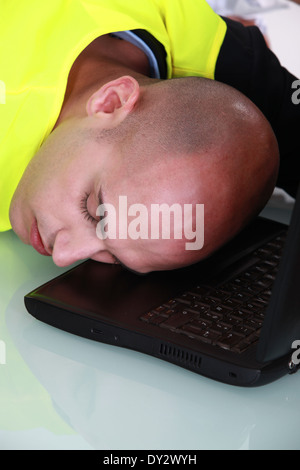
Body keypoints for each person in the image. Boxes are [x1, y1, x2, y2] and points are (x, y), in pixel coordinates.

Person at [2, 0, 299, 273]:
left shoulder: (206, 42)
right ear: (111, 102)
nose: (63, 256)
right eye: (92, 209)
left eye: (117, 258)